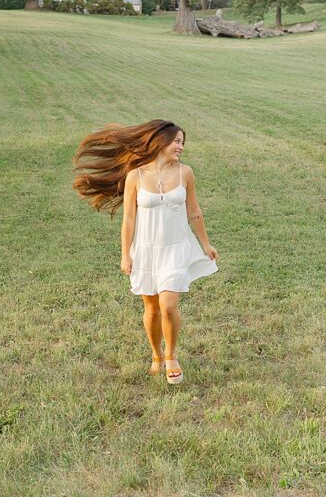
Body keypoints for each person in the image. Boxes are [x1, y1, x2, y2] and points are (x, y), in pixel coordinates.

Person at [73, 120, 219, 384]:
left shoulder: (186, 173)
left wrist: (206, 243)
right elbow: (129, 219)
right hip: (145, 250)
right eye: (176, 141)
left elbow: (194, 211)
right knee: (151, 309)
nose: (181, 147)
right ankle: (156, 355)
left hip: (175, 249)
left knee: (169, 305)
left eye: (182, 142)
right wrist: (125, 254)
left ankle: (172, 355)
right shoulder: (136, 176)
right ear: (160, 141)